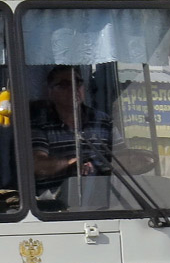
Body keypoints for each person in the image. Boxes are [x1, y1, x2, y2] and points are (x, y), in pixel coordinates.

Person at [30, 65, 121, 194]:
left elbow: (122, 158)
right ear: (50, 92)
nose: (74, 89)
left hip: (103, 201)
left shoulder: (103, 121)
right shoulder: (40, 124)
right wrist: (71, 163)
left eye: (77, 83)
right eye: (64, 85)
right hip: (54, 207)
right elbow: (37, 165)